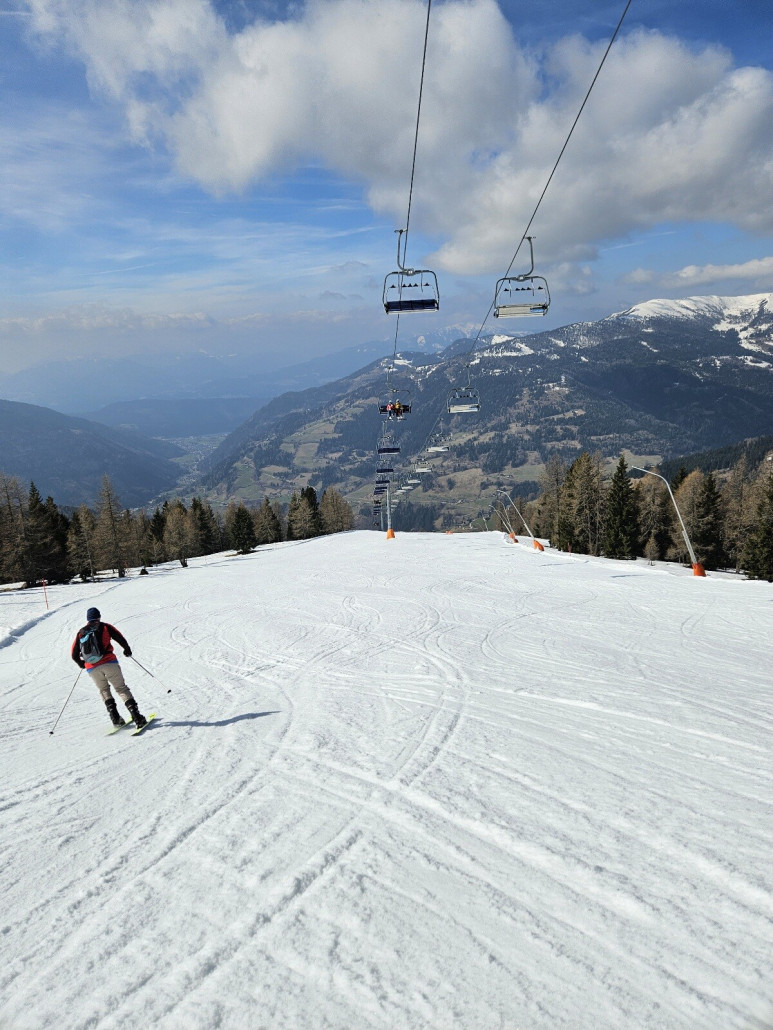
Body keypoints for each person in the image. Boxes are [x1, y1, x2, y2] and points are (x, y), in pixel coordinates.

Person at [71, 607, 147, 728]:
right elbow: (119, 637)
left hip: (92, 667)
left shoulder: (81, 632)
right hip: (109, 662)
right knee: (121, 688)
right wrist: (127, 650)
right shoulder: (105, 626)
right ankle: (137, 717)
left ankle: (115, 719)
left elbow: (74, 654)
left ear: (88, 619)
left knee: (104, 690)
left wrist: (82, 664)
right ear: (99, 617)